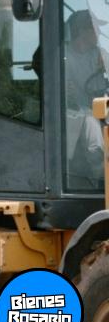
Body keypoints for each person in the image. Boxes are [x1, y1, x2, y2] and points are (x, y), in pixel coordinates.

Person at [64, 10, 108, 189]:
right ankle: (102, 182)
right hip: (76, 111)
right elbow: (65, 93)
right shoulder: (64, 57)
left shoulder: (100, 54)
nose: (98, 33)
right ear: (82, 31)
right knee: (94, 139)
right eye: (95, 28)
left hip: (100, 106)